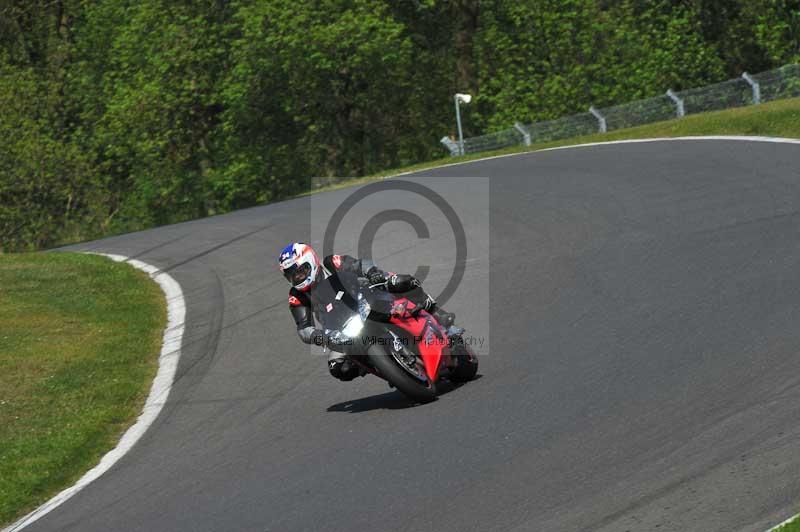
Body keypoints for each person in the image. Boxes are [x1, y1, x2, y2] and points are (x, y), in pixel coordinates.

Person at [278, 242, 455, 381]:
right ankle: (383, 366)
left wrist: (373, 273)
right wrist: (320, 336)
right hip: (341, 331)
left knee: (402, 282)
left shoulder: (330, 263)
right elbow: (303, 329)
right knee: (339, 368)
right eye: (292, 275)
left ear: (311, 261)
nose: (297, 278)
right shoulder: (296, 296)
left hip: (369, 299)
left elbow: (360, 264)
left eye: (300, 271)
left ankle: (437, 313)